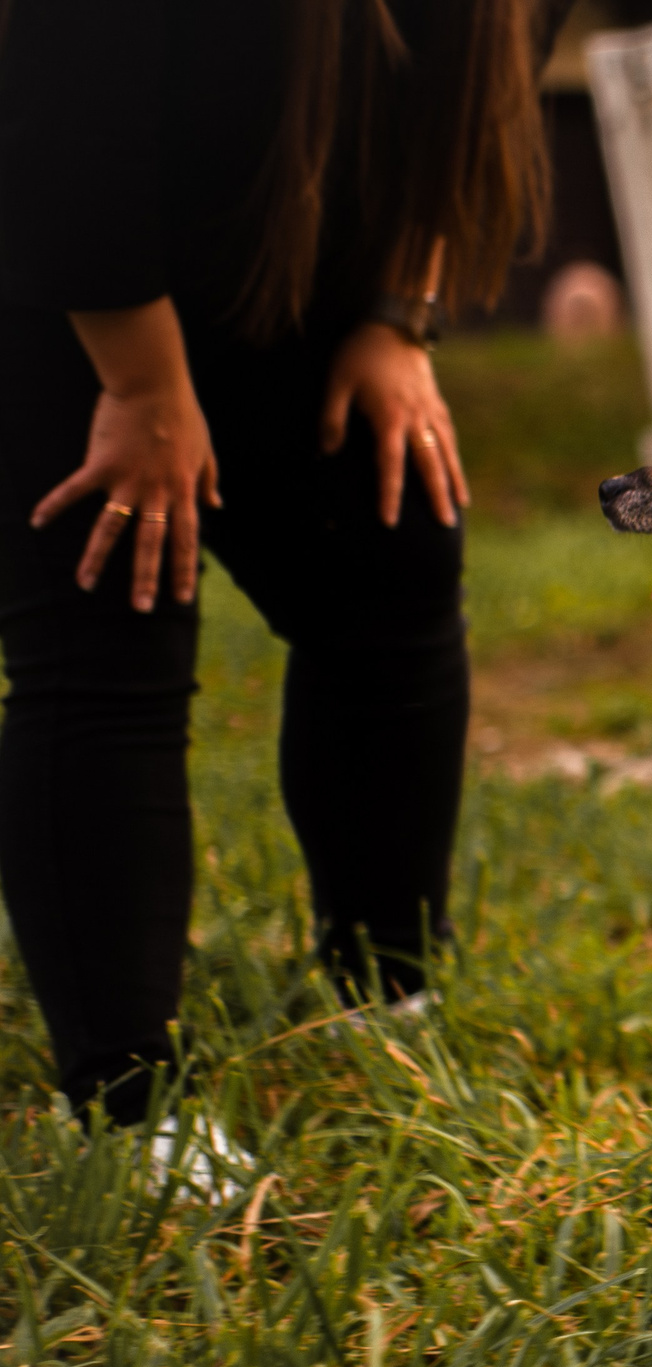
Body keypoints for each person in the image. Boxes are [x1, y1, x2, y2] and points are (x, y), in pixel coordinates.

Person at [0, 0, 563, 1123]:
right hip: (64, 286)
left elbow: (473, 94)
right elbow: (62, 120)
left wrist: (401, 317)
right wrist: (144, 389)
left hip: (304, 276)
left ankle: (386, 996)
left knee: (394, 560)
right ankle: (127, 1106)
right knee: (111, 625)